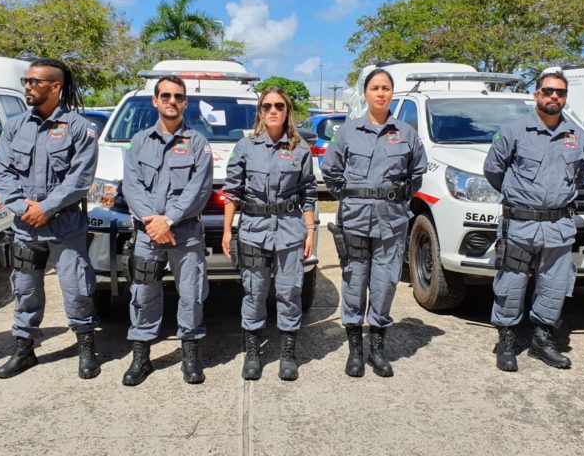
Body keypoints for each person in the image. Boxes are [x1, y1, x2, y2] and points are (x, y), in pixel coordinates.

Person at [0, 58, 100, 380]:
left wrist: (47, 207)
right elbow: (3, 170)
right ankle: (24, 350)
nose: (27, 86)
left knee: (76, 288)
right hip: (25, 226)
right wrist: (21, 207)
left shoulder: (79, 128)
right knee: (25, 288)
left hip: (65, 226)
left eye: (34, 82)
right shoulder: (15, 126)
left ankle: (86, 349)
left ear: (55, 86)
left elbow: (80, 179)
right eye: (26, 81)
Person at [483, 70, 584, 372]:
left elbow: (580, 175)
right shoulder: (514, 130)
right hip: (520, 224)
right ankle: (506, 341)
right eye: (547, 91)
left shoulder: (577, 137)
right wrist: (520, 197)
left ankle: (542, 341)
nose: (553, 96)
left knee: (555, 286)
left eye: (559, 92)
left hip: (559, 226)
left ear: (565, 97)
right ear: (536, 95)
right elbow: (493, 170)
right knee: (512, 284)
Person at [322, 68, 427, 378]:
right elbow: (330, 170)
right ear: (366, 94)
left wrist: (397, 198)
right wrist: (353, 197)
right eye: (375, 88)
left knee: (385, 285)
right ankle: (355, 351)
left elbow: (417, 173)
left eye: (385, 88)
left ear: (391, 94)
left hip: (392, 223)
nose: (381, 93)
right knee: (354, 284)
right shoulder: (349, 131)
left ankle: (377, 351)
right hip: (355, 222)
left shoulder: (406, 133)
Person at [121, 75, 214, 386]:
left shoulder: (198, 143)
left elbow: (198, 190)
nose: (172, 101)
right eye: (166, 96)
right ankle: (141, 357)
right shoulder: (138, 142)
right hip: (148, 235)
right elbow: (131, 186)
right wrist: (153, 221)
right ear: (155, 100)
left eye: (178, 96)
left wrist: (169, 220)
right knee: (143, 294)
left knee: (191, 295)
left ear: (185, 102)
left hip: (185, 234)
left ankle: (190, 357)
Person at [221, 87, 317, 381]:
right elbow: (232, 191)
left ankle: (288, 354)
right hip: (252, 231)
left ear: (287, 111)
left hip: (290, 230)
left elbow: (309, 193)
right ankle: (253, 354)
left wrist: (311, 230)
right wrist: (228, 230)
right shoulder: (245, 146)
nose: (272, 111)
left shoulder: (300, 149)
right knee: (254, 292)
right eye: (266, 106)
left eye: (279, 106)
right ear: (260, 112)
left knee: (290, 292)